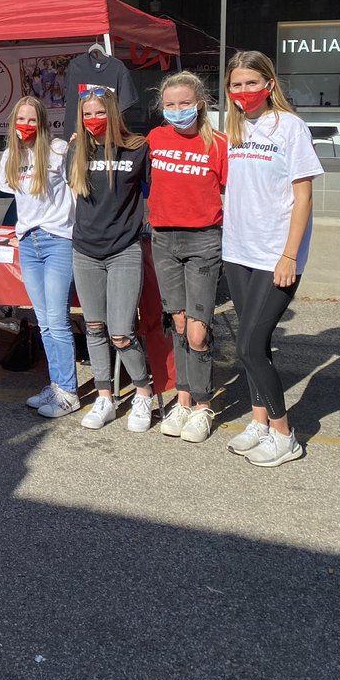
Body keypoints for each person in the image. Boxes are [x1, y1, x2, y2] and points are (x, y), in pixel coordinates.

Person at [221, 51, 324, 467]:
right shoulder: (233, 127)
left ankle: (285, 435)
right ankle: (259, 422)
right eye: (236, 84)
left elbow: (304, 197)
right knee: (255, 344)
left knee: (247, 347)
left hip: (274, 254)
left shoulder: (291, 127)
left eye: (251, 82)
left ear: (269, 83)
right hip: (238, 250)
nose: (244, 91)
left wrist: (289, 255)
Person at [147, 72, 228, 442]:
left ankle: (203, 403)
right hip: (163, 239)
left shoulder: (219, 144)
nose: (177, 111)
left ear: (200, 104)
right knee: (178, 323)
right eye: (170, 105)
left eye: (184, 104)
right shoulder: (154, 139)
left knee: (197, 330)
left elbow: (238, 194)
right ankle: (182, 399)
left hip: (203, 241)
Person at [68, 85, 154, 431]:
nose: (93, 119)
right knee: (93, 327)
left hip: (123, 251)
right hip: (85, 250)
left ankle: (143, 392)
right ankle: (105, 396)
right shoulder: (76, 149)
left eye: (100, 112)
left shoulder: (138, 148)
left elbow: (154, 194)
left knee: (121, 332)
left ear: (114, 112)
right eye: (87, 114)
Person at [0, 95, 79, 419]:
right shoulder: (10, 156)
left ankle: (69, 392)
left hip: (58, 240)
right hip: (28, 243)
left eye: (32, 120)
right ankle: (56, 384)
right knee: (43, 321)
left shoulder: (59, 151)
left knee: (58, 321)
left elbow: (76, 190)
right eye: (21, 119)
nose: (26, 125)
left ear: (42, 122)